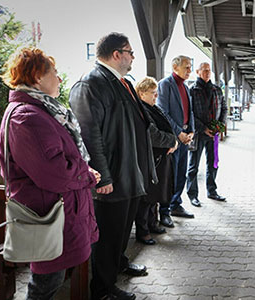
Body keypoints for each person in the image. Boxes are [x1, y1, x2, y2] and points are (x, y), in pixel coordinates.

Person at [0, 47, 100, 299]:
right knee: (45, 284)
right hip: (50, 216)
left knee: (51, 279)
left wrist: (82, 170)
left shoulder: (40, 110)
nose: (60, 78)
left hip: (59, 212)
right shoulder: (28, 117)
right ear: (36, 77)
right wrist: (86, 174)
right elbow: (54, 174)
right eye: (54, 73)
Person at [69, 32, 157, 300]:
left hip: (129, 174)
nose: (132, 57)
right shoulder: (90, 84)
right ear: (117, 54)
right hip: (112, 177)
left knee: (122, 230)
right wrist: (103, 178)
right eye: (130, 52)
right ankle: (103, 290)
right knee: (107, 236)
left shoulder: (122, 82)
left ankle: (119, 264)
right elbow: (89, 136)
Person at [134, 77, 178, 245]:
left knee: (155, 195)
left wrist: (173, 141)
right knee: (146, 197)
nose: (156, 96)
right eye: (152, 93)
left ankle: (152, 224)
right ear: (141, 93)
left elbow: (168, 129)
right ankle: (143, 231)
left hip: (159, 159)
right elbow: (152, 135)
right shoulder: (141, 110)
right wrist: (172, 141)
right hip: (150, 159)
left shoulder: (153, 108)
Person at [156, 55, 195, 227]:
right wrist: (179, 133)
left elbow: (190, 111)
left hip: (185, 136)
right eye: (186, 67)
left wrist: (191, 130)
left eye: (190, 67)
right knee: (169, 175)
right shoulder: (165, 84)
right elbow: (163, 112)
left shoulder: (185, 87)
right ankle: (164, 211)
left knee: (181, 174)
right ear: (174, 67)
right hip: (173, 138)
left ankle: (176, 204)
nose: (189, 70)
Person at [186, 62, 228, 207]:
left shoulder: (217, 89)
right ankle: (192, 195)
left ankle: (212, 191)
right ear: (198, 72)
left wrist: (220, 126)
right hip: (198, 134)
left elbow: (224, 108)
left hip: (214, 135)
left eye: (209, 71)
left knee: (213, 163)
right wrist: (203, 128)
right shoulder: (192, 90)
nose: (207, 73)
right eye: (204, 71)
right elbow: (189, 113)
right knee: (193, 166)